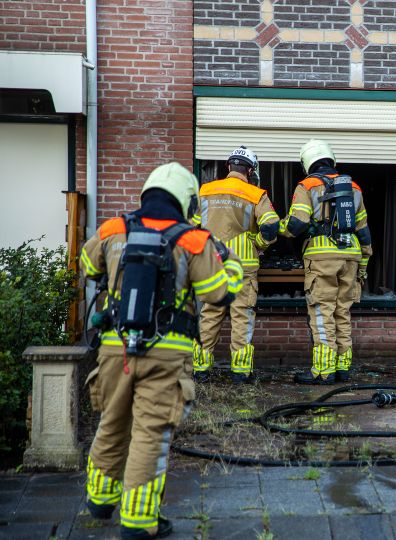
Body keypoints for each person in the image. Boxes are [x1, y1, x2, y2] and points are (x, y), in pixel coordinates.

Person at [79, 162, 243, 539]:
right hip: (166, 356)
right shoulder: (193, 240)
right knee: (150, 434)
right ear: (186, 200)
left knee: (112, 422)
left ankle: (100, 499)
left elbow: (88, 265)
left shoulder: (114, 228)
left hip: (114, 350)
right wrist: (229, 260)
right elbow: (219, 294)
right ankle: (138, 521)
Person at [281, 139, 373, 384]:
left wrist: (278, 229)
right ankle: (343, 368)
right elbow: (363, 230)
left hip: (322, 258)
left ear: (307, 162)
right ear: (331, 159)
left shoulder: (307, 185)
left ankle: (323, 371)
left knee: (322, 312)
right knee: (343, 312)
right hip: (351, 256)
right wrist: (364, 261)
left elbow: (297, 224)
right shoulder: (353, 187)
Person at [191, 146, 279, 384]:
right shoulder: (255, 194)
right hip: (244, 266)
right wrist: (258, 243)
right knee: (242, 317)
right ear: (250, 170)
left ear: (229, 166)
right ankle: (240, 372)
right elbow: (271, 227)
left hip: (211, 264)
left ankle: (200, 369)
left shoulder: (205, 191)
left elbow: (190, 227)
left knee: (209, 315)